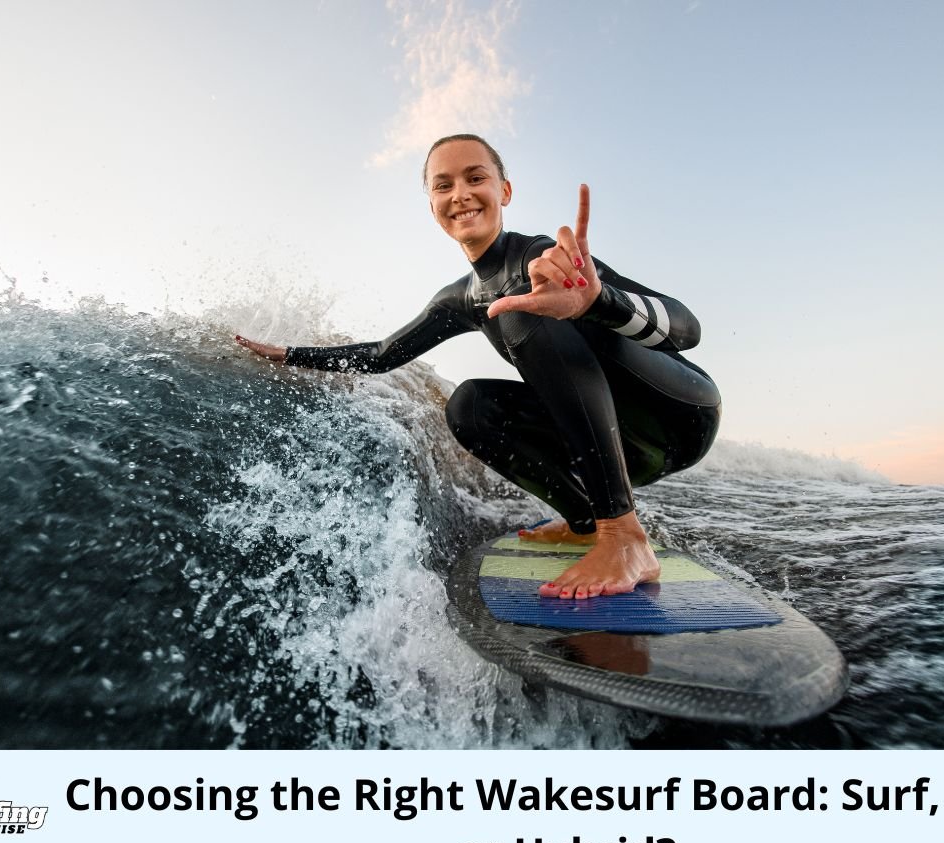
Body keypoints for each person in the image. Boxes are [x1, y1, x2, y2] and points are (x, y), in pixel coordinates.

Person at [236, 134, 720, 601]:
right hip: (625, 449)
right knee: (470, 407)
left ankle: (623, 536)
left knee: (520, 308)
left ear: (504, 191)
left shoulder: (542, 258)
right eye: (443, 185)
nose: (460, 194)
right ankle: (587, 523)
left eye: (475, 178)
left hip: (680, 415)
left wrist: (596, 300)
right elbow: (384, 355)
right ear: (432, 206)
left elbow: (688, 329)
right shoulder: (459, 299)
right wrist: (291, 355)